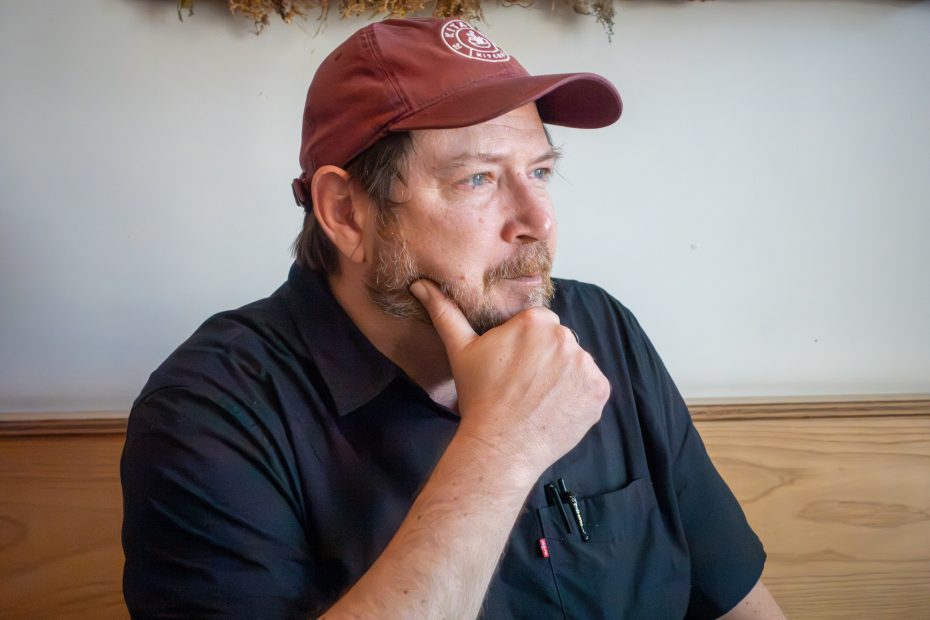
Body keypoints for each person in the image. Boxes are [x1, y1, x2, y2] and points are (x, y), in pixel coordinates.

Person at [121, 17, 785, 619]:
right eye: (479, 180)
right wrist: (501, 449)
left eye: (541, 172)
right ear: (348, 214)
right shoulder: (211, 410)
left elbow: (740, 604)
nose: (538, 221)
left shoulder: (599, 327)